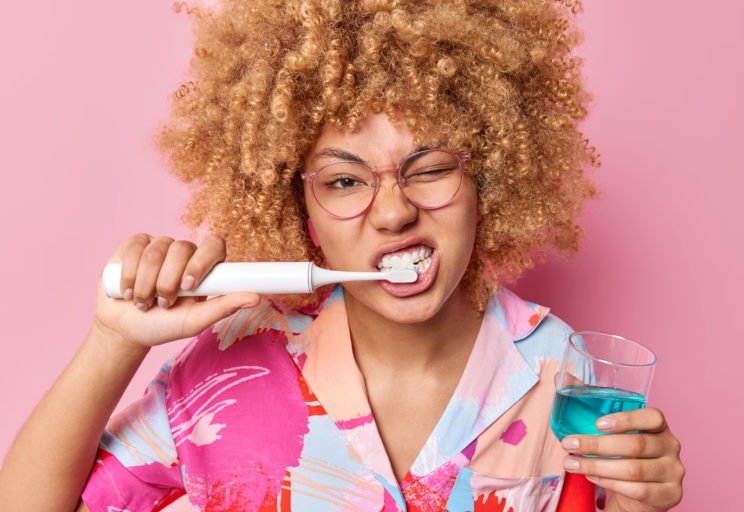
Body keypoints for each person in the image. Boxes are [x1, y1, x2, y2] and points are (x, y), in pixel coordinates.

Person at [0, 0, 684, 510]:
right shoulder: (231, 363)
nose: (393, 212)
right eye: (346, 181)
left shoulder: (561, 371)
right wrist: (111, 339)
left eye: (430, 168)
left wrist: (634, 503)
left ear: (490, 182)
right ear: (305, 213)